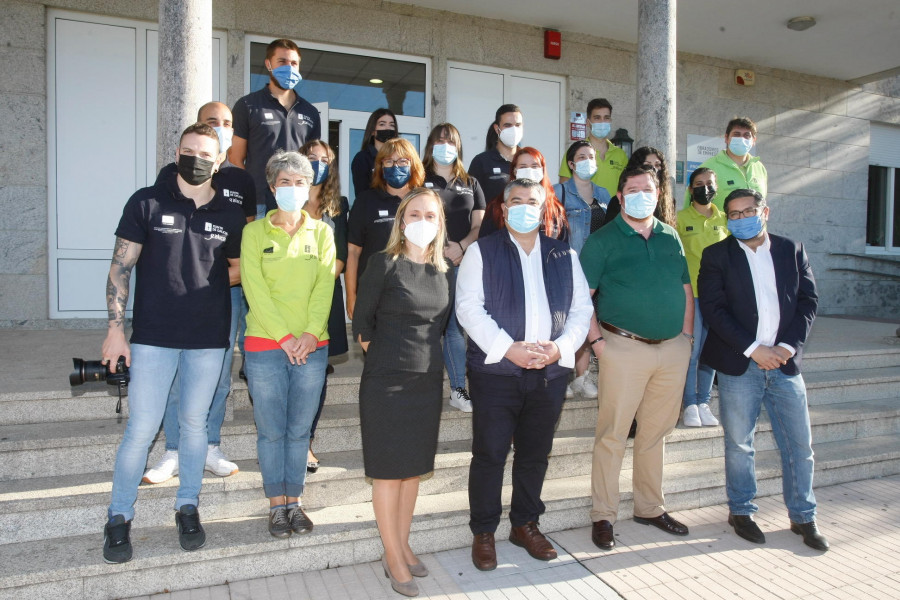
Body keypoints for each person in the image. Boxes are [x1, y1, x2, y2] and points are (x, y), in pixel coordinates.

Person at [100, 123, 245, 564]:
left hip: (207, 338)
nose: (197, 159)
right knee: (142, 429)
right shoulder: (146, 200)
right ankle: (119, 516)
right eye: (189, 150)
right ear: (177, 152)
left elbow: (237, 268)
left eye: (206, 153)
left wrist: (205, 282)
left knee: (195, 425)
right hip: (154, 337)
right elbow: (120, 269)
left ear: (219, 161)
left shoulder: (229, 213)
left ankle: (188, 506)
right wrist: (114, 329)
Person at [457, 178, 593, 571]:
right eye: (516, 200)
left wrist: (559, 349)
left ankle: (525, 524)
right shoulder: (482, 251)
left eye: (532, 201)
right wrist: (509, 349)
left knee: (535, 454)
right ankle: (483, 532)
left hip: (549, 374)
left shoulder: (563, 254)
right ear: (503, 207)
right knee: (490, 454)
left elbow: (582, 309)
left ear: (545, 206)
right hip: (497, 372)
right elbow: (469, 308)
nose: (524, 206)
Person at [698, 189, 827, 551]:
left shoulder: (791, 249)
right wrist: (756, 351)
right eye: (733, 215)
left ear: (764, 211)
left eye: (748, 211)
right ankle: (740, 511)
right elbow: (714, 309)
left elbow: (808, 301)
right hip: (741, 365)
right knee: (740, 445)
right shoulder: (715, 256)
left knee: (800, 446)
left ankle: (804, 517)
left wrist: (786, 348)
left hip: (785, 365)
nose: (741, 219)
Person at [579, 166, 694, 551]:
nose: (641, 194)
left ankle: (649, 507)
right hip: (622, 348)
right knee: (613, 435)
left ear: (659, 193)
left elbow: (685, 288)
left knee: (655, 433)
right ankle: (603, 515)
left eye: (648, 189)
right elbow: (582, 298)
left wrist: (687, 339)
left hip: (672, 349)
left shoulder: (670, 236)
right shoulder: (603, 240)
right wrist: (596, 342)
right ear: (621, 195)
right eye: (633, 189)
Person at [143, 101, 255, 485]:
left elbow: (246, 242)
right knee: (177, 376)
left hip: (227, 294)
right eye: (213, 122)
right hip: (177, 299)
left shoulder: (242, 180)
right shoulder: (169, 176)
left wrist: (213, 280)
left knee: (219, 375)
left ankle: (209, 444)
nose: (221, 127)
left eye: (227, 124)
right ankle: (174, 450)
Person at [352, 188, 454, 597]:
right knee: (388, 474)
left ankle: (403, 543)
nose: (423, 221)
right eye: (415, 213)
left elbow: (442, 328)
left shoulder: (443, 271)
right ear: (401, 219)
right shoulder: (383, 264)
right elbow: (363, 326)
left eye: (431, 215)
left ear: (440, 223)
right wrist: (389, 361)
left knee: (412, 470)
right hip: (387, 382)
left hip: (427, 382)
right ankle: (391, 554)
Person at [240, 151, 335, 538]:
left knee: (299, 431)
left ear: (310, 186)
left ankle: (295, 502)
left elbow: (325, 285)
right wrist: (284, 338)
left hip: (313, 347)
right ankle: (275, 506)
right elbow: (255, 289)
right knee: (271, 430)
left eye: (300, 182)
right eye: (285, 182)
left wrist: (310, 334)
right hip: (264, 343)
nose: (293, 189)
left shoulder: (323, 232)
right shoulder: (253, 233)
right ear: (272, 185)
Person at [422, 123, 485, 413]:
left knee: (455, 328)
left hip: (462, 261)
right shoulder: (419, 178)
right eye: (440, 140)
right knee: (426, 326)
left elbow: (478, 225)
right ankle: (422, 389)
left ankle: (458, 388)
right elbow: (413, 218)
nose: (445, 145)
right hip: (427, 263)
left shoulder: (470, 182)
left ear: (458, 146)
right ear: (431, 144)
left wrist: (461, 246)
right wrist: (439, 248)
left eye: (451, 141)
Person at [299, 139, 349, 472]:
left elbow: (342, 258)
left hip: (323, 300)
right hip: (285, 301)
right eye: (311, 158)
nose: (318, 163)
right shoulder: (285, 197)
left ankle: (306, 443)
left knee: (315, 378)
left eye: (325, 159)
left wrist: (314, 285)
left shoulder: (339, 205)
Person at [230, 38, 321, 217]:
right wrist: (249, 196)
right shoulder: (248, 105)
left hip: (296, 205)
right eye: (282, 62)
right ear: (268, 64)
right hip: (258, 205)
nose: (289, 67)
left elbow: (313, 162)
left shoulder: (310, 112)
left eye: (294, 63)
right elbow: (235, 158)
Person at [553, 140, 610, 400]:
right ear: (572, 164)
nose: (588, 161)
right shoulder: (558, 192)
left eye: (592, 156)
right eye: (582, 156)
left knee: (590, 324)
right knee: (564, 325)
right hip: (567, 270)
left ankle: (581, 378)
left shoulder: (605, 195)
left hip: (598, 273)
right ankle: (560, 376)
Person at [345, 137, 425, 319]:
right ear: (380, 167)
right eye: (389, 161)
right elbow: (353, 253)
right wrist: (351, 298)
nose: (396, 166)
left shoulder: (424, 201)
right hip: (374, 296)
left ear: (413, 165)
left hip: (415, 295)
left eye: (403, 161)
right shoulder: (366, 201)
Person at [677, 167, 727, 427]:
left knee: (710, 353)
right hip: (692, 296)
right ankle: (690, 403)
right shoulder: (680, 218)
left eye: (709, 183)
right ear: (690, 189)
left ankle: (704, 401)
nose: (704, 187)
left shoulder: (726, 219)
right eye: (699, 183)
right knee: (692, 352)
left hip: (718, 297)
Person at [479, 147, 568, 241]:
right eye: (523, 167)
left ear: (542, 170)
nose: (529, 170)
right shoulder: (496, 206)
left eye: (534, 166)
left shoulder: (555, 208)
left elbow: (563, 246)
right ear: (514, 171)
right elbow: (485, 241)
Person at [683, 117, 767, 210]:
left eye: (747, 135)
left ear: (754, 140)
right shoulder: (708, 168)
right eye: (737, 134)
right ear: (726, 138)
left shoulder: (760, 168)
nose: (742, 139)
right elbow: (690, 209)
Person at [558, 98, 627, 197]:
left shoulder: (620, 154)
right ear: (588, 122)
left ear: (610, 120)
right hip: (584, 210)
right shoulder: (575, 151)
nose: (602, 122)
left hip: (613, 211)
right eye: (597, 118)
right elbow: (564, 187)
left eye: (606, 118)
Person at [604, 146, 676, 227]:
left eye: (657, 165)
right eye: (648, 165)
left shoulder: (669, 201)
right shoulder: (619, 200)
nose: (654, 169)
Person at [468, 104, 523, 202]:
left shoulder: (529, 161)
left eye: (518, 125)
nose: (514, 130)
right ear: (497, 128)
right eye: (508, 125)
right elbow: (472, 201)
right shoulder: (481, 162)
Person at [351, 108, 398, 197]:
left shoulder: (400, 158)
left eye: (392, 125)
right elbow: (362, 194)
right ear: (372, 131)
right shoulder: (362, 158)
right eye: (382, 124)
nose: (388, 128)